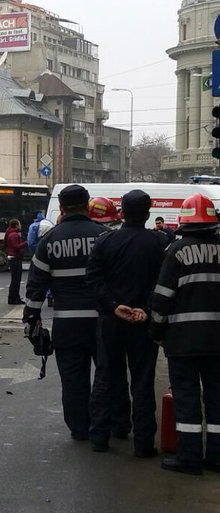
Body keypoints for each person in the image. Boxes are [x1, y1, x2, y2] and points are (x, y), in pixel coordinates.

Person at [24, 184, 109, 442]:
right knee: (106, 376)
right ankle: (103, 429)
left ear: (61, 207)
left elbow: (36, 287)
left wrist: (31, 321)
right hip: (103, 323)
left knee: (73, 379)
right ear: (87, 205)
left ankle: (79, 428)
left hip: (68, 324)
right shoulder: (105, 236)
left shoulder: (50, 241)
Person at [86, 190, 168, 456]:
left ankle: (102, 434)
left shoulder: (105, 242)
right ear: (147, 213)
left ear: (122, 213)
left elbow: (94, 281)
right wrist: (144, 309)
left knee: (106, 376)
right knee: (143, 381)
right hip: (143, 323)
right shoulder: (158, 244)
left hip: (111, 320)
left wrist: (113, 306)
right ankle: (143, 443)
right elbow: (162, 284)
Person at [151, 193, 220, 475]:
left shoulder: (176, 251)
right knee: (217, 398)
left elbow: (162, 297)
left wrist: (156, 330)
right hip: (218, 341)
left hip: (182, 340)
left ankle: (189, 459)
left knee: (187, 398)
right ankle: (216, 458)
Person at [4, 218, 28, 304]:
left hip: (13, 258)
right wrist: (26, 242)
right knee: (16, 280)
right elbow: (16, 247)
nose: (20, 225)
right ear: (16, 225)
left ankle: (14, 298)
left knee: (15, 280)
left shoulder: (11, 233)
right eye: (19, 224)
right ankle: (14, 298)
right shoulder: (14, 235)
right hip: (15, 258)